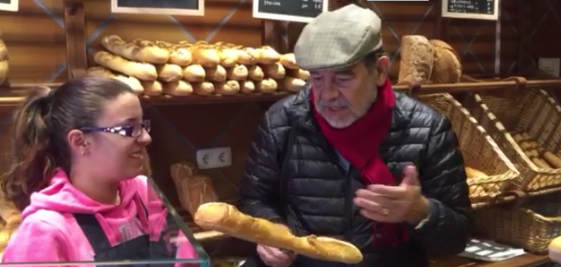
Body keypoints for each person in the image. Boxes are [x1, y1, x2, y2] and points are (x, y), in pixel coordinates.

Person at [237, 4, 472, 267]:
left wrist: (422, 213)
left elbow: (459, 236)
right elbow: (252, 199)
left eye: (342, 79)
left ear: (381, 71)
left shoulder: (427, 128)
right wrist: (270, 233)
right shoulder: (281, 122)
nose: (327, 95)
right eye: (317, 79)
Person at [0, 76, 198, 265]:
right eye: (128, 129)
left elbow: (183, 261)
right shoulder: (45, 230)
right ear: (80, 142)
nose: (146, 138)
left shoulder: (144, 194)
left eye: (142, 125)